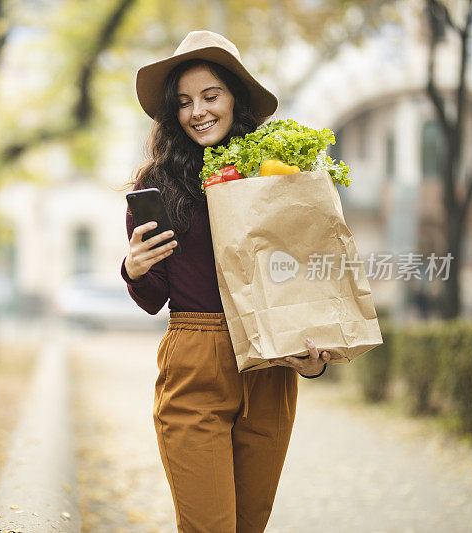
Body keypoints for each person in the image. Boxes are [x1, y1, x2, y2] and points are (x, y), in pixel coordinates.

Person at [121, 31, 331, 533]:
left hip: (270, 365)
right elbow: (154, 299)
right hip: (197, 356)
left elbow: (303, 278)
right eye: (184, 102)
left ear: (235, 98)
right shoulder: (158, 183)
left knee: (248, 525)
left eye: (210, 96)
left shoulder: (277, 172)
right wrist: (134, 269)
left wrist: (313, 358)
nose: (198, 112)